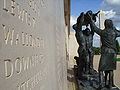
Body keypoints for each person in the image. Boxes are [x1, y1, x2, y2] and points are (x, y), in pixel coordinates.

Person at [88, 13, 120, 89]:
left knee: (101, 69)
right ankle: (110, 85)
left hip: (105, 52)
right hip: (113, 53)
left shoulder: (103, 32)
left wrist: (91, 20)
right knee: (111, 69)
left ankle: (101, 85)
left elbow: (94, 28)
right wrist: (115, 29)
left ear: (105, 24)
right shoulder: (114, 33)